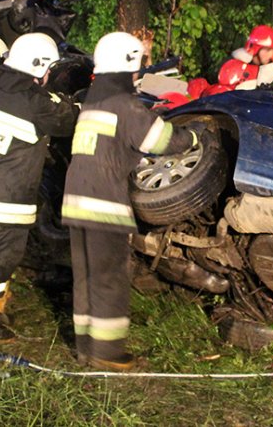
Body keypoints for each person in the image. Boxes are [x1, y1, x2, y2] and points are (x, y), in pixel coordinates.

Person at [61, 32, 198, 371]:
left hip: (75, 203)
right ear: (129, 63)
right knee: (110, 278)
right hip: (103, 206)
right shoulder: (125, 105)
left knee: (86, 277)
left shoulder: (94, 99)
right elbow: (162, 139)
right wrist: (194, 136)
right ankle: (107, 353)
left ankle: (86, 347)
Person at [0, 31, 77, 341]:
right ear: (39, 65)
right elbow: (69, 119)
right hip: (5, 204)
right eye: (49, 68)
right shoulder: (35, 100)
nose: (51, 74)